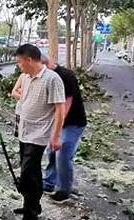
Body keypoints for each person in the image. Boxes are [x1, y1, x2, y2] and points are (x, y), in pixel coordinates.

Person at [14, 44, 66, 220]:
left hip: (39, 134)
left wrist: (56, 135)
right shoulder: (27, 77)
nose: (19, 66)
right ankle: (30, 205)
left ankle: (32, 213)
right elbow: (24, 99)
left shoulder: (52, 79)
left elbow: (60, 109)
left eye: (20, 62)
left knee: (29, 171)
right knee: (29, 171)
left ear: (29, 60)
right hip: (24, 131)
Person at [41, 56, 87, 203]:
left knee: (63, 154)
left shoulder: (66, 76)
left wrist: (56, 131)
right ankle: (49, 182)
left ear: (45, 65)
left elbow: (64, 107)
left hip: (73, 123)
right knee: (51, 151)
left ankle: (63, 190)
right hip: (59, 122)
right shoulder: (48, 77)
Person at [11, 72, 27, 138]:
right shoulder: (23, 76)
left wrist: (21, 91)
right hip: (20, 110)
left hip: (32, 114)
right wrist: (25, 96)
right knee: (20, 135)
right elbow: (14, 93)